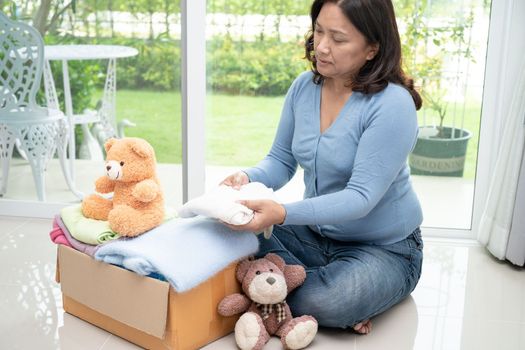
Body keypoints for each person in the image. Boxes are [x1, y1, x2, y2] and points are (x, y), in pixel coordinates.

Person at [221, 0, 423, 335]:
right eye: (318, 31)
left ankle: (280, 289)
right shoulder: (304, 87)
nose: (322, 48)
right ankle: (295, 289)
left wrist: (281, 213)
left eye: (339, 39)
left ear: (372, 48)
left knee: (324, 300)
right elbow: (281, 160)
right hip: (315, 236)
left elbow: (360, 198)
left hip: (383, 249)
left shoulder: (392, 105)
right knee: (230, 230)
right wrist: (247, 178)